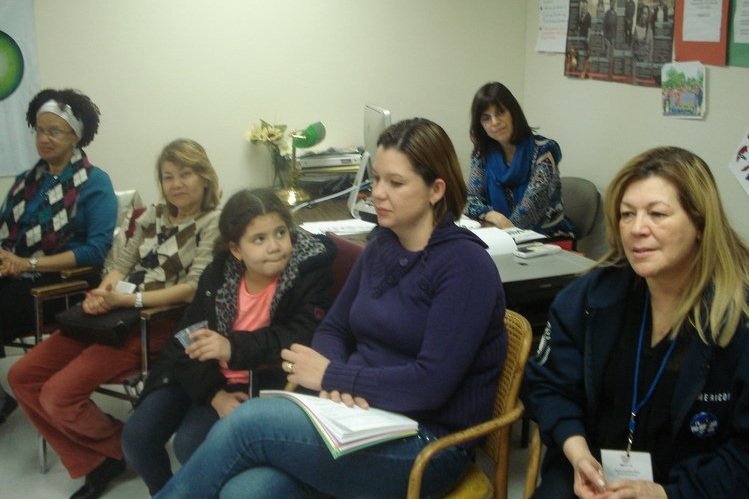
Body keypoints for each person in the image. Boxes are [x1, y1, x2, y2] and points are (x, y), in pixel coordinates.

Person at [153, 118, 508, 498]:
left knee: (247, 423)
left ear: (436, 189)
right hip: (358, 419)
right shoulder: (382, 246)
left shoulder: (464, 266)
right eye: (377, 179)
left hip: (426, 444)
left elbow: (430, 385)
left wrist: (336, 378)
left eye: (396, 183)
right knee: (245, 491)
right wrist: (340, 380)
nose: (378, 193)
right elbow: (333, 329)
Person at [524, 147, 749, 498]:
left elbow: (742, 457)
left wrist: (664, 494)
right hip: (591, 480)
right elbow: (548, 386)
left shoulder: (740, 316)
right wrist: (577, 451)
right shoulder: (590, 297)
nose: (637, 229)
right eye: (627, 215)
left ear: (700, 225)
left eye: (657, 214)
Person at [8, 138, 221, 499]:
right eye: (168, 177)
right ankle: (100, 458)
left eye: (186, 174)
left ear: (205, 177)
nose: (176, 184)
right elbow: (119, 264)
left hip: (152, 323)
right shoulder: (152, 215)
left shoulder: (213, 222)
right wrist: (102, 294)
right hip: (114, 311)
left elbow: (192, 288)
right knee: (22, 377)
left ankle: (119, 445)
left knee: (58, 395)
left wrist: (129, 299)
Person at [121, 188, 336, 495]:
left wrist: (231, 347)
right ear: (237, 249)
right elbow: (186, 338)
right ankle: (166, 490)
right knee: (137, 437)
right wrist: (214, 395)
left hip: (257, 381)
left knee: (189, 444)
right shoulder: (220, 272)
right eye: (259, 239)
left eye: (280, 233)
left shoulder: (309, 272)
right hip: (205, 375)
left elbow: (300, 337)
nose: (275, 247)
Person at [0, 89, 117, 419]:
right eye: (39, 130)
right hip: (17, 276)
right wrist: (7, 260)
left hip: (64, 285)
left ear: (75, 136)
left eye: (54, 131)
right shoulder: (27, 182)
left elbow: (94, 252)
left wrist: (27, 263)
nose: (44, 139)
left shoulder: (95, 182)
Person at [465, 82, 575, 238]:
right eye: (486, 118)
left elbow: (531, 207)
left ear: (513, 113)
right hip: (500, 235)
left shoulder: (545, 151)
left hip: (547, 239)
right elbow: (469, 199)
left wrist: (502, 230)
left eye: (500, 112)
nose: (495, 122)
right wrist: (492, 216)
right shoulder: (482, 153)